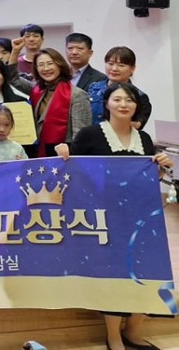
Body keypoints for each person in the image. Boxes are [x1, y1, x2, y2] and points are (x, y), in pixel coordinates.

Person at [54, 83, 173, 350]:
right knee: (114, 273)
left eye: (129, 100)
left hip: (142, 215)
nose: (123, 104)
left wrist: (162, 169)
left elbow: (147, 177)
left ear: (136, 106)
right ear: (106, 103)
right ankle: (113, 336)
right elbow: (71, 167)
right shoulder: (90, 134)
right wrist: (63, 150)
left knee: (147, 269)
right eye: (117, 99)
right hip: (105, 217)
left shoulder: (144, 139)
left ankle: (133, 330)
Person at [12, 43, 91, 157]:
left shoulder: (78, 95)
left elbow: (81, 135)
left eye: (50, 63)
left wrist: (72, 154)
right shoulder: (36, 90)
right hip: (38, 152)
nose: (46, 68)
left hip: (64, 155)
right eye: (41, 65)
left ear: (60, 65)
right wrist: (15, 52)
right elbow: (13, 78)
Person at [88, 46, 152, 130]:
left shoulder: (140, 97)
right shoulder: (93, 88)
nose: (114, 69)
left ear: (132, 69)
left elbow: (136, 126)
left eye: (121, 65)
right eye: (110, 63)